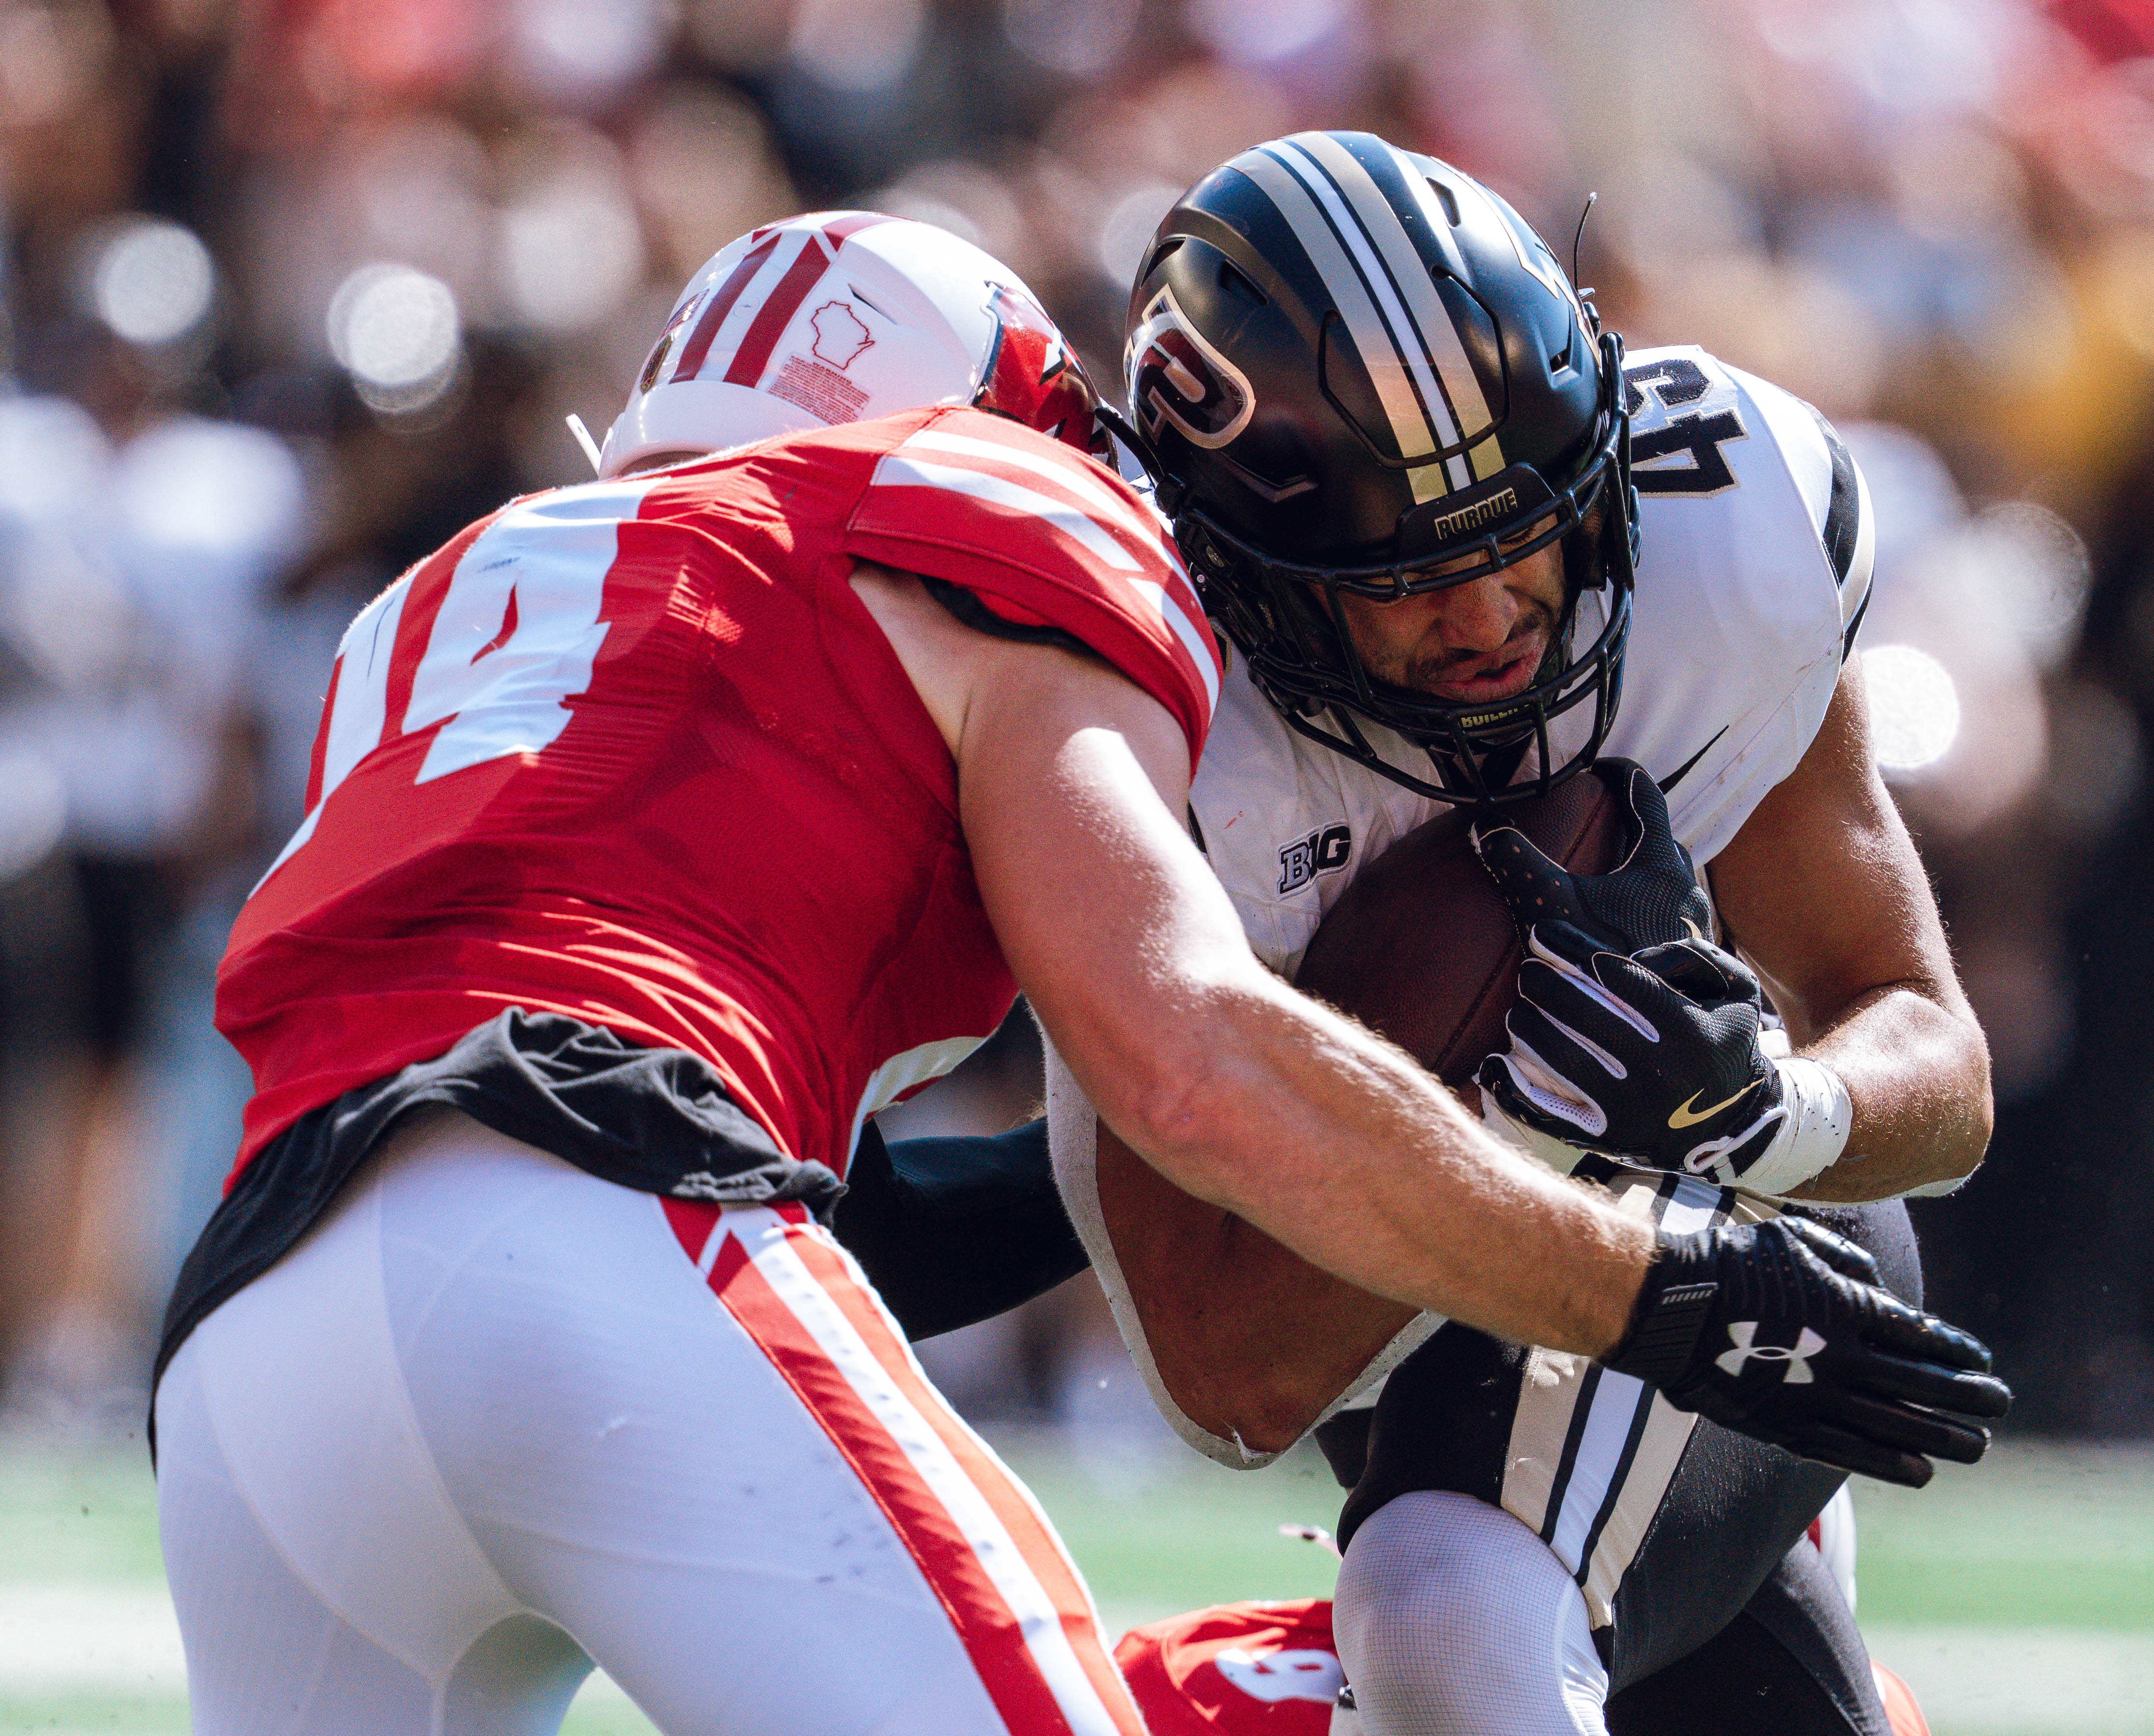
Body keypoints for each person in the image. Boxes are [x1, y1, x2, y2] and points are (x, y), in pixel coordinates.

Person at [152, 210, 2004, 1736]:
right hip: (614, 1238)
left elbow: (839, 1191)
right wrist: (1641, 1275)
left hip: (257, 1335)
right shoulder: (981, 509)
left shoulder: (438, 614)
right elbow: (1189, 1060)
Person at [1042, 131, 1997, 1736]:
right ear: (1242, 572)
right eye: (1408, 577)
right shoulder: (1148, 717)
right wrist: (1503, 1111)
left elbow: (1930, 1048)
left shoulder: (1726, 531)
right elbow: (1228, 1377)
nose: (1486, 617)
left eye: (1520, 534)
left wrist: (1773, 1115)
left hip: (1728, 1219)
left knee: (1447, 1602)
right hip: (1387, 1318)